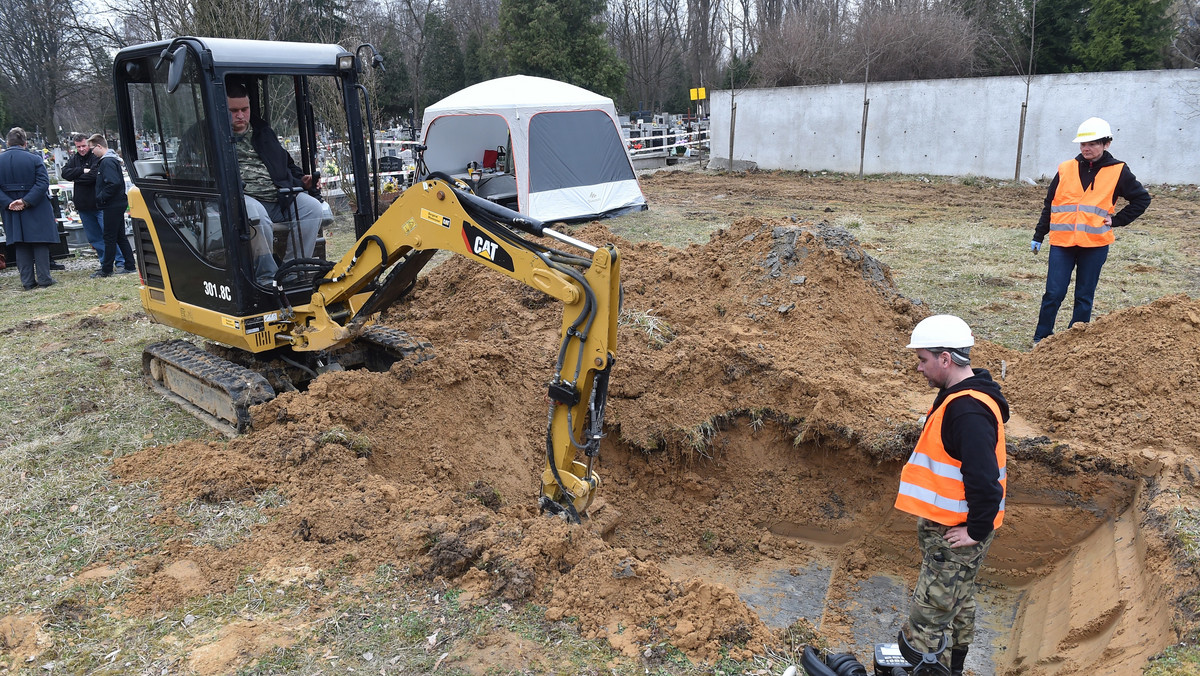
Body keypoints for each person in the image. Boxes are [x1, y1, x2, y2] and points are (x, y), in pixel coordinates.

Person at [895, 315, 1009, 676]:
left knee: (927, 619)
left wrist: (975, 530)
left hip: (956, 535)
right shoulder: (960, 397)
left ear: (946, 358)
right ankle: (954, 668)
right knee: (958, 602)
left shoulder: (967, 411)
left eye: (923, 359)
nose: (919, 367)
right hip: (951, 530)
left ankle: (928, 669)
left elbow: (984, 480)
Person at [1030, 117, 1150, 344]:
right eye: (1083, 144)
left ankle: (1075, 340)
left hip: (1094, 245)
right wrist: (1039, 234)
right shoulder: (1066, 168)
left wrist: (1116, 221)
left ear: (1107, 144)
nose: (1086, 148)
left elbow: (1141, 199)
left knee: (1084, 296)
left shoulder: (1118, 170)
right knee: (1053, 293)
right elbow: (1051, 204)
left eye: (1093, 143)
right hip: (1062, 243)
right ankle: (1041, 338)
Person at [225, 81, 321, 282]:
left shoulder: (263, 132)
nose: (240, 115)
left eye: (244, 109)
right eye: (233, 111)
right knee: (256, 216)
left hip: (278, 197)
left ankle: (292, 273)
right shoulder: (211, 137)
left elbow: (284, 163)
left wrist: (303, 181)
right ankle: (267, 278)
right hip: (242, 198)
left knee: (312, 208)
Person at [0, 127, 58, 290]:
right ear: (24, 143)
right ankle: (45, 279)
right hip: (35, 206)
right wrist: (25, 201)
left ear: (8, 143)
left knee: (20, 243)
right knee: (39, 242)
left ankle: (27, 282)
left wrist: (8, 202)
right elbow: (42, 183)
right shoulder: (34, 159)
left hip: (10, 208)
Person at [60, 133, 124, 272]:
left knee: (109, 235)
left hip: (99, 204)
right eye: (78, 147)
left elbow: (94, 176)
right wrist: (82, 171)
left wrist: (76, 177)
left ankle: (120, 261)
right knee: (94, 238)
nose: (82, 149)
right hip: (83, 205)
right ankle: (104, 262)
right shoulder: (75, 159)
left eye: (84, 146)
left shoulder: (97, 156)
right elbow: (65, 173)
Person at [89, 135, 136, 278]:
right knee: (120, 235)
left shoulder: (107, 162)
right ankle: (129, 264)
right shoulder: (111, 160)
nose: (92, 152)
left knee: (109, 237)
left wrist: (101, 197)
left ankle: (107, 269)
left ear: (99, 146)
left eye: (92, 148)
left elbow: (113, 183)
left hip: (112, 204)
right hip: (117, 203)